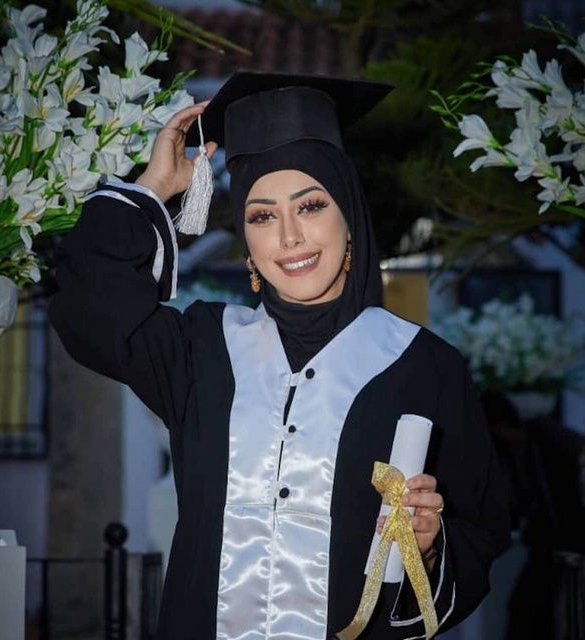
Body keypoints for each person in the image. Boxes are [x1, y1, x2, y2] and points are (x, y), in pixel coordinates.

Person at [49, 71, 511, 640]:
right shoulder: (202, 351)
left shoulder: (424, 367)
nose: (289, 237)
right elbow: (87, 305)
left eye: (311, 206)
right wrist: (154, 186)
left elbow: (482, 528)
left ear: (349, 218)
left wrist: (431, 547)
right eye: (262, 215)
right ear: (246, 241)